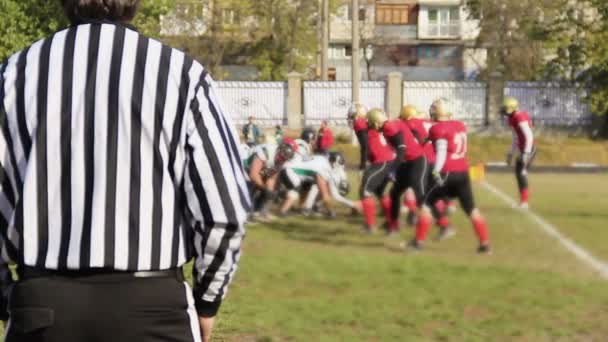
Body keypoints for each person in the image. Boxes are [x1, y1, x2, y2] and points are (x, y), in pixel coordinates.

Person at [0, 0, 250, 341]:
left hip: (45, 309)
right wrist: (207, 302)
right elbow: (225, 210)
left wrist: (9, 300)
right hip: (154, 309)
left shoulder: (14, 74)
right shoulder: (182, 74)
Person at [408, 99, 491, 253]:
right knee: (472, 209)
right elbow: (441, 139)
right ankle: (485, 244)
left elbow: (440, 151)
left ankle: (418, 243)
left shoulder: (437, 129)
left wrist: (435, 171)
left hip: (446, 171)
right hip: (463, 171)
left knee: (425, 204)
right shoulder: (460, 125)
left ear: (434, 112)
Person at [383, 106, 428, 234]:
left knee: (419, 195)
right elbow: (419, 138)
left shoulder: (396, 125)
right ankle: (393, 225)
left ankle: (439, 225)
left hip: (416, 161)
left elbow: (402, 149)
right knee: (394, 193)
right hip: (406, 161)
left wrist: (391, 170)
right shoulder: (400, 123)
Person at [360, 109, 397, 233]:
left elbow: (366, 148)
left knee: (365, 191)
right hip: (390, 161)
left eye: (369, 121)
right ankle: (391, 224)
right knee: (380, 191)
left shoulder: (370, 132)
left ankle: (370, 226)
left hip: (382, 163)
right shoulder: (383, 131)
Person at [502, 97, 536, 208]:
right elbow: (516, 137)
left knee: (521, 173)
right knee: (519, 173)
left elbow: (529, 136)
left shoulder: (519, 117)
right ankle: (523, 202)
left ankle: (524, 203)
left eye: (506, 108)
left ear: (512, 108)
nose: (503, 110)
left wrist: (526, 153)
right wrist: (511, 152)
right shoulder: (512, 118)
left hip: (529, 148)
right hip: (524, 148)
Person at [348, 103, 369, 171]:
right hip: (362, 130)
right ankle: (363, 165)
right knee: (365, 148)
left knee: (365, 148)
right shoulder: (358, 121)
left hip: (362, 130)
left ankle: (363, 165)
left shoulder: (358, 121)